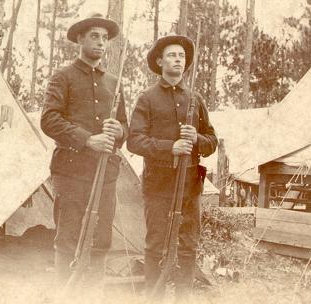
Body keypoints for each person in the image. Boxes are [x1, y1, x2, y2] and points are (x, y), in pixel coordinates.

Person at [40, 12, 128, 296]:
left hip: (105, 175)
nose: (101, 43)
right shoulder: (62, 77)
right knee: (68, 239)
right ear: (80, 39)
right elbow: (49, 119)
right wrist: (88, 139)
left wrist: (118, 132)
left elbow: (126, 129)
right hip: (71, 172)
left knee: (101, 239)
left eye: (105, 38)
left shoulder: (114, 82)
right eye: (94, 36)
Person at [127, 35, 218, 302]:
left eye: (181, 56)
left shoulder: (196, 99)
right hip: (159, 186)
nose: (178, 60)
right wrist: (171, 146)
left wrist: (196, 140)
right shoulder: (147, 98)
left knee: (188, 246)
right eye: (172, 55)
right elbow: (134, 140)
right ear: (159, 61)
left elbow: (212, 141)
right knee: (156, 246)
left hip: (190, 186)